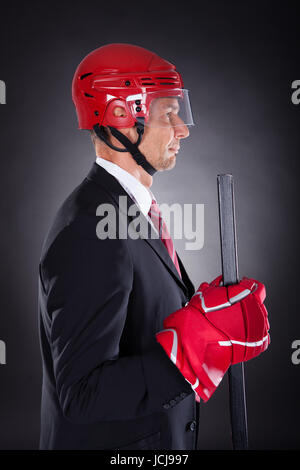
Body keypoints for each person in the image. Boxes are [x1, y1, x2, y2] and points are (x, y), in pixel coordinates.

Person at [38, 43, 270, 450]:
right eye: (168, 113)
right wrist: (194, 352)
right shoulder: (88, 228)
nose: (182, 128)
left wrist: (202, 316)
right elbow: (81, 394)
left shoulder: (127, 210)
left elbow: (142, 323)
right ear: (122, 117)